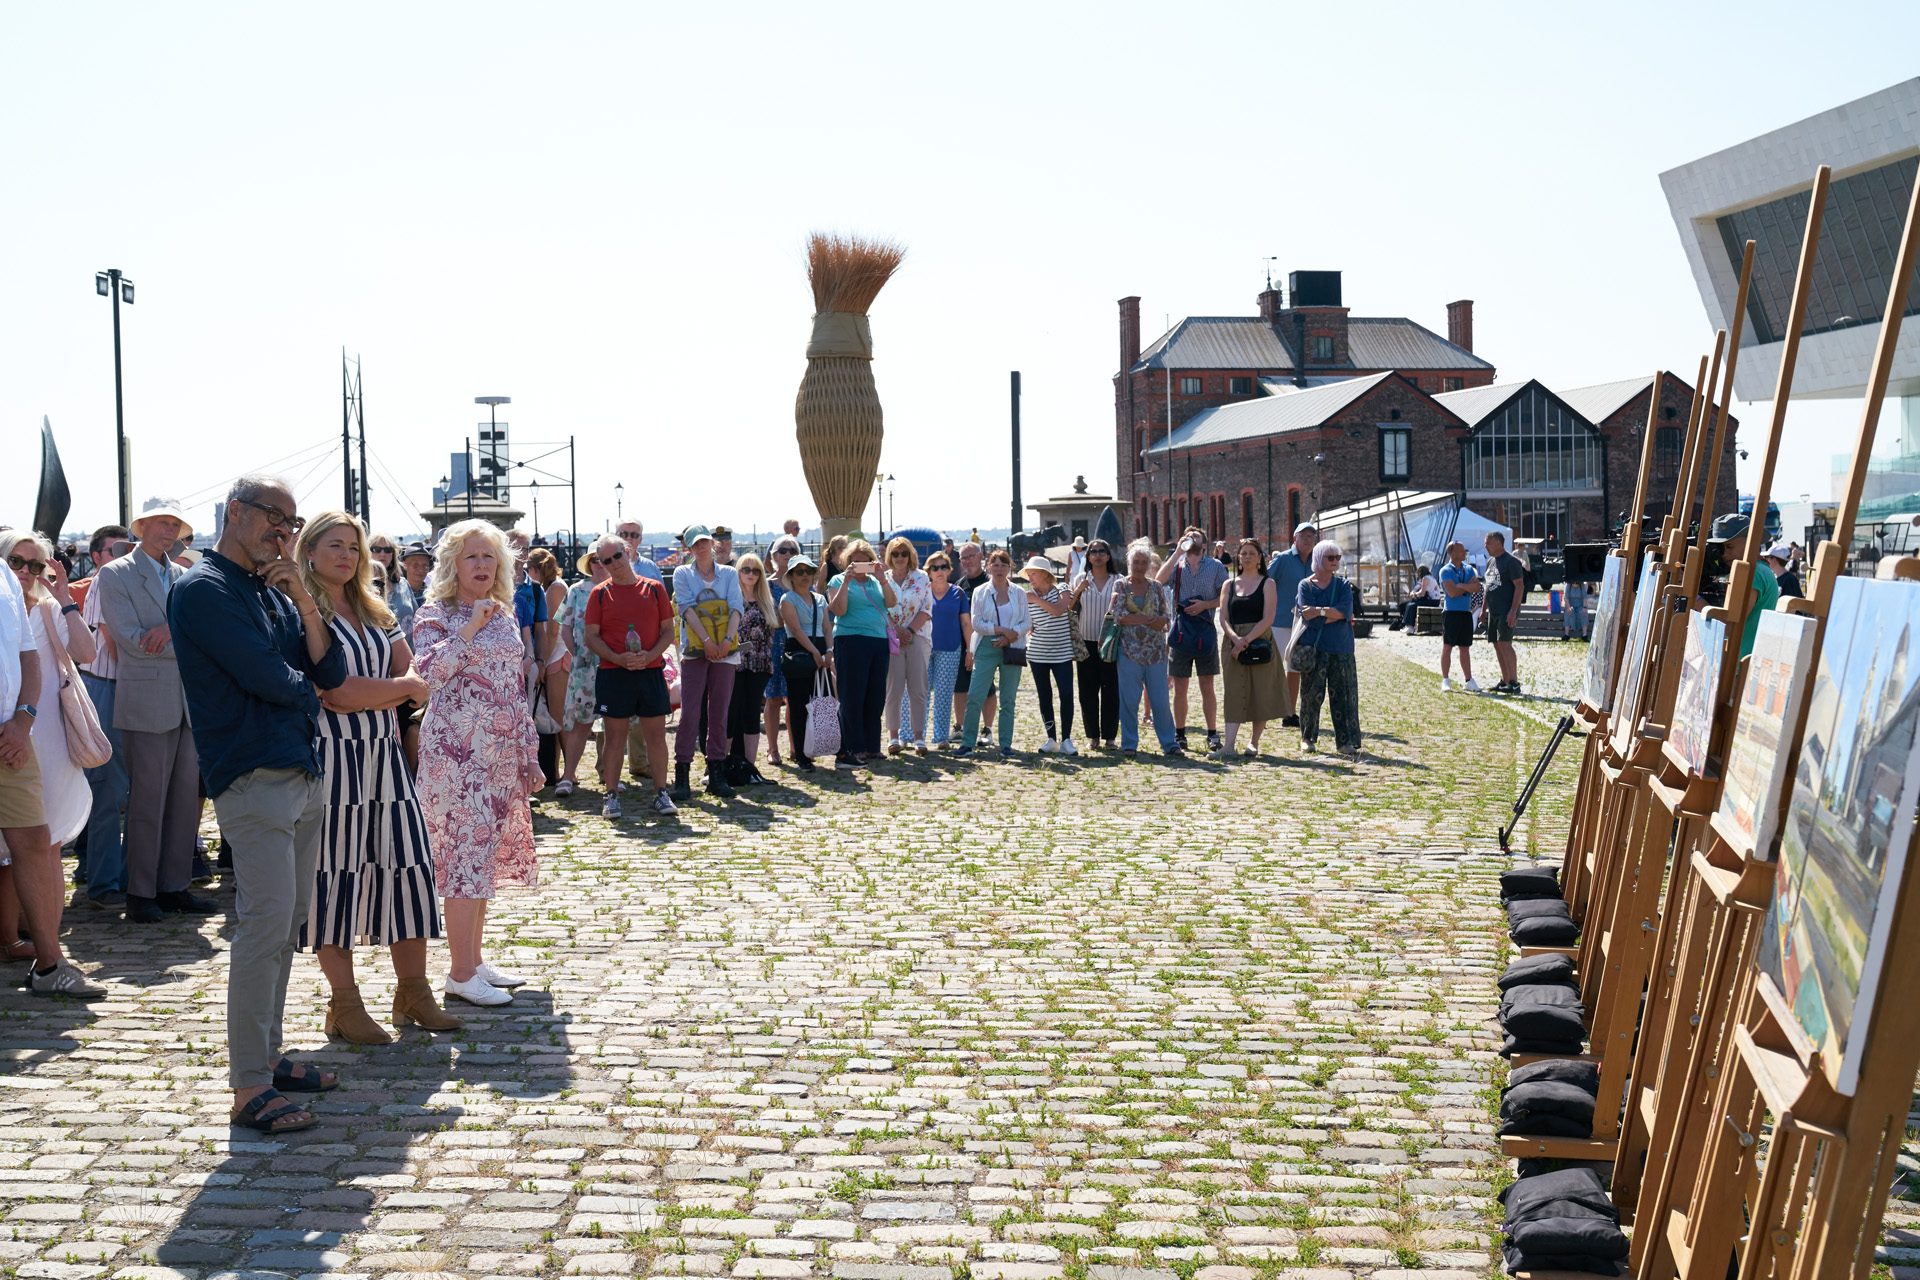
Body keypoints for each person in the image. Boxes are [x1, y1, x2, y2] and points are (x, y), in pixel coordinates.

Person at [172, 475, 350, 1131]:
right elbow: (273, 681)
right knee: (263, 926)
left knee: (285, 925)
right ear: (236, 512)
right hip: (251, 776)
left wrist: (303, 596)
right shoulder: (203, 589)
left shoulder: (273, 588)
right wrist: (313, 691)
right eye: (276, 517)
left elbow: (329, 672)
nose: (285, 531)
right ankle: (249, 1087)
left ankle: (266, 1056)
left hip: (300, 772)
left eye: (294, 522)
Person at [293, 512, 460, 1043]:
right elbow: (336, 694)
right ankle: (344, 1003)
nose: (346, 555)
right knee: (335, 877)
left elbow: (418, 682)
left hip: (385, 756)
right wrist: (393, 689)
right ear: (310, 550)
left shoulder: (376, 608)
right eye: (334, 545)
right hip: (331, 757)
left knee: (408, 868)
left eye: (354, 547)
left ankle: (414, 992)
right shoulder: (301, 612)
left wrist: (387, 689)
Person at [410, 519, 543, 1009]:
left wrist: (529, 754)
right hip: (456, 759)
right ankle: (460, 973)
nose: (482, 565)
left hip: (499, 759)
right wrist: (471, 626)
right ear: (452, 565)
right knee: (462, 862)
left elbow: (515, 689)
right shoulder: (435, 615)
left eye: (489, 556)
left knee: (482, 861)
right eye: (472, 557)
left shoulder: (506, 613)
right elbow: (428, 674)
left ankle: (475, 959)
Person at [94, 497, 213, 924]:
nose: (169, 530)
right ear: (142, 526)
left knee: (184, 800)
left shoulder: (183, 574)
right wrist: (178, 635)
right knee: (146, 800)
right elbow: (130, 640)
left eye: (175, 524)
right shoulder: (115, 572)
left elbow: (198, 638)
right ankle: (141, 892)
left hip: (185, 703)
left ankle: (174, 884)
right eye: (161, 522)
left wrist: (170, 633)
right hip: (147, 702)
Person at [0, 533, 101, 990]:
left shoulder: (43, 608)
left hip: (37, 739)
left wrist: (64, 597)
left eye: (37, 565)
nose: (26, 571)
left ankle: (48, 956)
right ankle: (11, 939)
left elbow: (83, 654)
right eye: (17, 561)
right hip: (19, 735)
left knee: (41, 842)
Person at [582, 534, 677, 818]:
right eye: (605, 560)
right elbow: (591, 637)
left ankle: (661, 793)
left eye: (617, 556)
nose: (613, 564)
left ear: (628, 553)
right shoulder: (599, 593)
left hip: (650, 671)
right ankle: (611, 795)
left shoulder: (655, 588)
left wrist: (649, 657)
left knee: (656, 737)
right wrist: (619, 659)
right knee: (614, 738)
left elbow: (668, 632)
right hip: (614, 673)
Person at [76, 525, 132, 909]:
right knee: (108, 790)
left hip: (126, 687)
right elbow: (115, 642)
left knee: (125, 790)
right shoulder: (104, 582)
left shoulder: (126, 577)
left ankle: (119, 877)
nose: (122, 555)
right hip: (108, 687)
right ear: (98, 557)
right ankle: (104, 883)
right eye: (115, 550)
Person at [670, 526, 742, 797]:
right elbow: (686, 607)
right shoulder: (682, 573)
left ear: (711, 543)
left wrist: (725, 642)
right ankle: (683, 773)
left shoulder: (730, 573)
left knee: (719, 713)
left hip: (726, 650)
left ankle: (716, 772)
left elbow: (737, 607)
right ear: (688, 548)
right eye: (694, 543)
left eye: (703, 542)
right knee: (690, 713)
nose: (700, 547)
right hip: (695, 650)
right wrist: (708, 642)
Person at [1155, 526, 1228, 751]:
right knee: (1180, 688)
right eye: (1187, 538)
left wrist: (1205, 604)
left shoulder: (1215, 566)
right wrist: (1177, 552)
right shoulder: (1177, 565)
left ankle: (1212, 734)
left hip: (1205, 631)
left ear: (1204, 545)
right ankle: (1179, 734)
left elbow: (1226, 596)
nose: (1190, 541)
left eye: (1195, 538)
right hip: (1181, 632)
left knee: (1207, 686)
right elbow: (1157, 583)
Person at [827, 539, 897, 765]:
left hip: (878, 641)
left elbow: (892, 603)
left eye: (865, 563)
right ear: (848, 562)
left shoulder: (877, 582)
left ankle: (872, 746)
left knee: (875, 695)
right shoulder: (837, 580)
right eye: (855, 563)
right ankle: (854, 746)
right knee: (852, 695)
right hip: (850, 640)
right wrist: (847, 582)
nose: (860, 566)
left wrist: (882, 578)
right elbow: (839, 610)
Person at [959, 549, 1030, 758]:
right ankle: (967, 743)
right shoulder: (981, 592)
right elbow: (977, 623)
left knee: (1008, 699)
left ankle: (1006, 744)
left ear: (1010, 568)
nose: (999, 569)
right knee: (975, 695)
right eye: (995, 565)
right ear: (989, 567)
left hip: (1013, 649)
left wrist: (1010, 636)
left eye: (1003, 565)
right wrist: (1001, 631)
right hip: (986, 648)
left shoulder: (1019, 592)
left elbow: (1027, 622)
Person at [1218, 539, 1284, 757]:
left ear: (1259, 558)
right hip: (1232, 641)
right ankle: (1228, 746)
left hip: (1260, 640)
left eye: (1251, 553)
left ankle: (1254, 742)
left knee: (1260, 692)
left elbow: (1268, 618)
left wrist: (1245, 641)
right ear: (1238, 558)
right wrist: (1235, 639)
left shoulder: (1268, 584)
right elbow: (1223, 617)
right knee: (1233, 692)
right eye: (1243, 553)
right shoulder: (1229, 584)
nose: (1246, 557)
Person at [1295, 540, 1361, 759]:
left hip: (1341, 647)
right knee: (1311, 695)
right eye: (1330, 557)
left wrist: (1319, 611)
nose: (1335, 561)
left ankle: (1345, 741)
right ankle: (1306, 738)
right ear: (1318, 558)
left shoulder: (1343, 585)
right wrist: (1331, 614)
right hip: (1315, 647)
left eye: (1337, 557)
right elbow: (1308, 618)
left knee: (1344, 695)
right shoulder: (1306, 585)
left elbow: (1345, 613)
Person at [1113, 545, 1179, 758]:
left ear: (1149, 564)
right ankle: (1129, 743)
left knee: (1160, 701)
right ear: (1129, 563)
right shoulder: (1121, 585)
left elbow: (1166, 617)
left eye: (1144, 562)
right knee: (1129, 700)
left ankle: (1169, 742)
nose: (1140, 566)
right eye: (1136, 562)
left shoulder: (1157, 587)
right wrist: (1151, 620)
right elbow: (1120, 616)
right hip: (1128, 650)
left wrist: (1150, 621)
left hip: (1156, 652)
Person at [553, 551, 607, 797]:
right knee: (581, 723)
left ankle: (610, 774)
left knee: (614, 723)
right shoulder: (576, 589)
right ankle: (568, 775)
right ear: (588, 564)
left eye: (604, 559)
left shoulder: (621, 588)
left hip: (614, 666)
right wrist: (577, 656)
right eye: (594, 559)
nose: (600, 564)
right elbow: (564, 628)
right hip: (585, 667)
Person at [724, 553, 777, 784]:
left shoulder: (766, 599)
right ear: (738, 571)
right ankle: (720, 765)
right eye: (746, 569)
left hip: (760, 664)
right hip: (734, 664)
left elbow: (770, 634)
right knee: (731, 713)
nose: (751, 574)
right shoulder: (730, 598)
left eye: (756, 570)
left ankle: (749, 767)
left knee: (751, 714)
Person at [777, 557, 833, 771]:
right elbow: (796, 630)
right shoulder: (787, 599)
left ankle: (833, 747)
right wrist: (814, 652)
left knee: (825, 702)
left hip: (820, 649)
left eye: (808, 571)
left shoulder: (820, 599)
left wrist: (829, 651)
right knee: (799, 706)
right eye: (798, 571)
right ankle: (801, 755)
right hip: (800, 652)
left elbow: (828, 628)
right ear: (791, 576)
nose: (804, 575)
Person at [882, 537, 934, 756]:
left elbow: (927, 608)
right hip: (891, 638)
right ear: (889, 556)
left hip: (918, 636)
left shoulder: (921, 577)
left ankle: (918, 737)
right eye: (895, 554)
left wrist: (909, 631)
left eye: (904, 553)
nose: (900, 557)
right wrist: (896, 629)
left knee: (918, 688)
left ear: (910, 555)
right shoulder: (883, 579)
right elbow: (880, 608)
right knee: (893, 689)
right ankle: (894, 736)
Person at [1022, 558, 1077, 755]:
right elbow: (1026, 622)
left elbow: (1059, 610)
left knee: (1066, 694)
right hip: (1037, 654)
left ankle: (1067, 740)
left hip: (1062, 654)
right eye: (1028, 574)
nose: (1030, 577)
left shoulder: (1062, 588)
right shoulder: (1026, 596)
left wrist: (1035, 599)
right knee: (1045, 696)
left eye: (1033, 573)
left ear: (1045, 574)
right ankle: (1051, 738)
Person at [1070, 540, 1121, 749]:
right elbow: (1068, 607)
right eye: (1093, 552)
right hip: (1086, 642)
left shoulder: (1118, 580)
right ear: (1087, 557)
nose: (1097, 555)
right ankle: (1093, 737)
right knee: (1087, 691)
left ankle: (1110, 737)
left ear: (1108, 556)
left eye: (1102, 551)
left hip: (1110, 642)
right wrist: (1078, 591)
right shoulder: (1081, 579)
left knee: (1111, 690)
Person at [1267, 522, 1316, 727]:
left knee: (1294, 668)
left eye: (1311, 536)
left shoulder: (1317, 560)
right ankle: (1265, 709)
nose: (1307, 540)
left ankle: (1289, 713)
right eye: (1303, 536)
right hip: (1280, 621)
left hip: (1304, 624)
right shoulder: (1283, 559)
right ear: (1294, 538)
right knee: (1272, 668)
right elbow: (1265, 583)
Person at [527, 548, 568, 788]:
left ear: (537, 569)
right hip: (553, 655)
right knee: (553, 716)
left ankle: (565, 770)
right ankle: (556, 769)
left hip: (557, 655)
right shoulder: (553, 587)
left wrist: (543, 661)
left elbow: (552, 630)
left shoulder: (556, 589)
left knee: (558, 716)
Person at [922, 553, 970, 748]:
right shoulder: (922, 591)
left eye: (943, 567)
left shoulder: (958, 593)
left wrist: (970, 650)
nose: (939, 571)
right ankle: (915, 736)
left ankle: (941, 737)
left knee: (943, 695)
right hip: (923, 648)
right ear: (929, 572)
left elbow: (966, 623)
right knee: (919, 694)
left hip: (950, 649)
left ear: (950, 570)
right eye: (935, 568)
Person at [951, 542, 995, 742]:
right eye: (963, 558)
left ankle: (987, 729)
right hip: (961, 643)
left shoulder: (991, 582)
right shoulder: (960, 585)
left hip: (986, 642)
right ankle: (959, 727)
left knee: (987, 687)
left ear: (981, 557)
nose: (967, 561)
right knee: (960, 687)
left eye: (971, 556)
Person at [762, 538, 800, 768]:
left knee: (795, 699)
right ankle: (773, 748)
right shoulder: (765, 584)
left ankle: (797, 747)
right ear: (774, 556)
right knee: (774, 698)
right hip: (773, 645)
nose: (787, 554)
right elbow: (770, 618)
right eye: (782, 550)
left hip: (798, 645)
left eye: (792, 550)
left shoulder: (802, 581)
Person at [1481, 532, 1526, 694]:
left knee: (1505, 643)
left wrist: (1513, 610)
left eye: (1488, 543)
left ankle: (1514, 682)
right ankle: (1505, 680)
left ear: (1499, 543)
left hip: (1507, 610)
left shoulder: (1511, 562)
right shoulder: (1490, 562)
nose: (1485, 546)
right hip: (1493, 611)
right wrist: (1483, 610)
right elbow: (1488, 587)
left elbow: (1519, 586)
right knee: (1497, 643)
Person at [1437, 541, 1482, 693]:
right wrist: (1465, 586)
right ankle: (1445, 680)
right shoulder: (1445, 571)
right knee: (1447, 646)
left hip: (1465, 612)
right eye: (1461, 550)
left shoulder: (1469, 569)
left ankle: (1468, 680)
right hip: (1451, 612)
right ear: (1453, 553)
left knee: (1465, 647)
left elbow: (1476, 588)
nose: (1464, 552)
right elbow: (1451, 592)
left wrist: (1460, 586)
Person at [1402, 562, 1443, 634]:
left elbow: (1422, 592)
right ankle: (1409, 625)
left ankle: (1410, 627)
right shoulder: (1431, 577)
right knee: (1412, 605)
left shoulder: (1425, 578)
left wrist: (1414, 594)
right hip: (1436, 600)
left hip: (1432, 601)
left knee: (1411, 606)